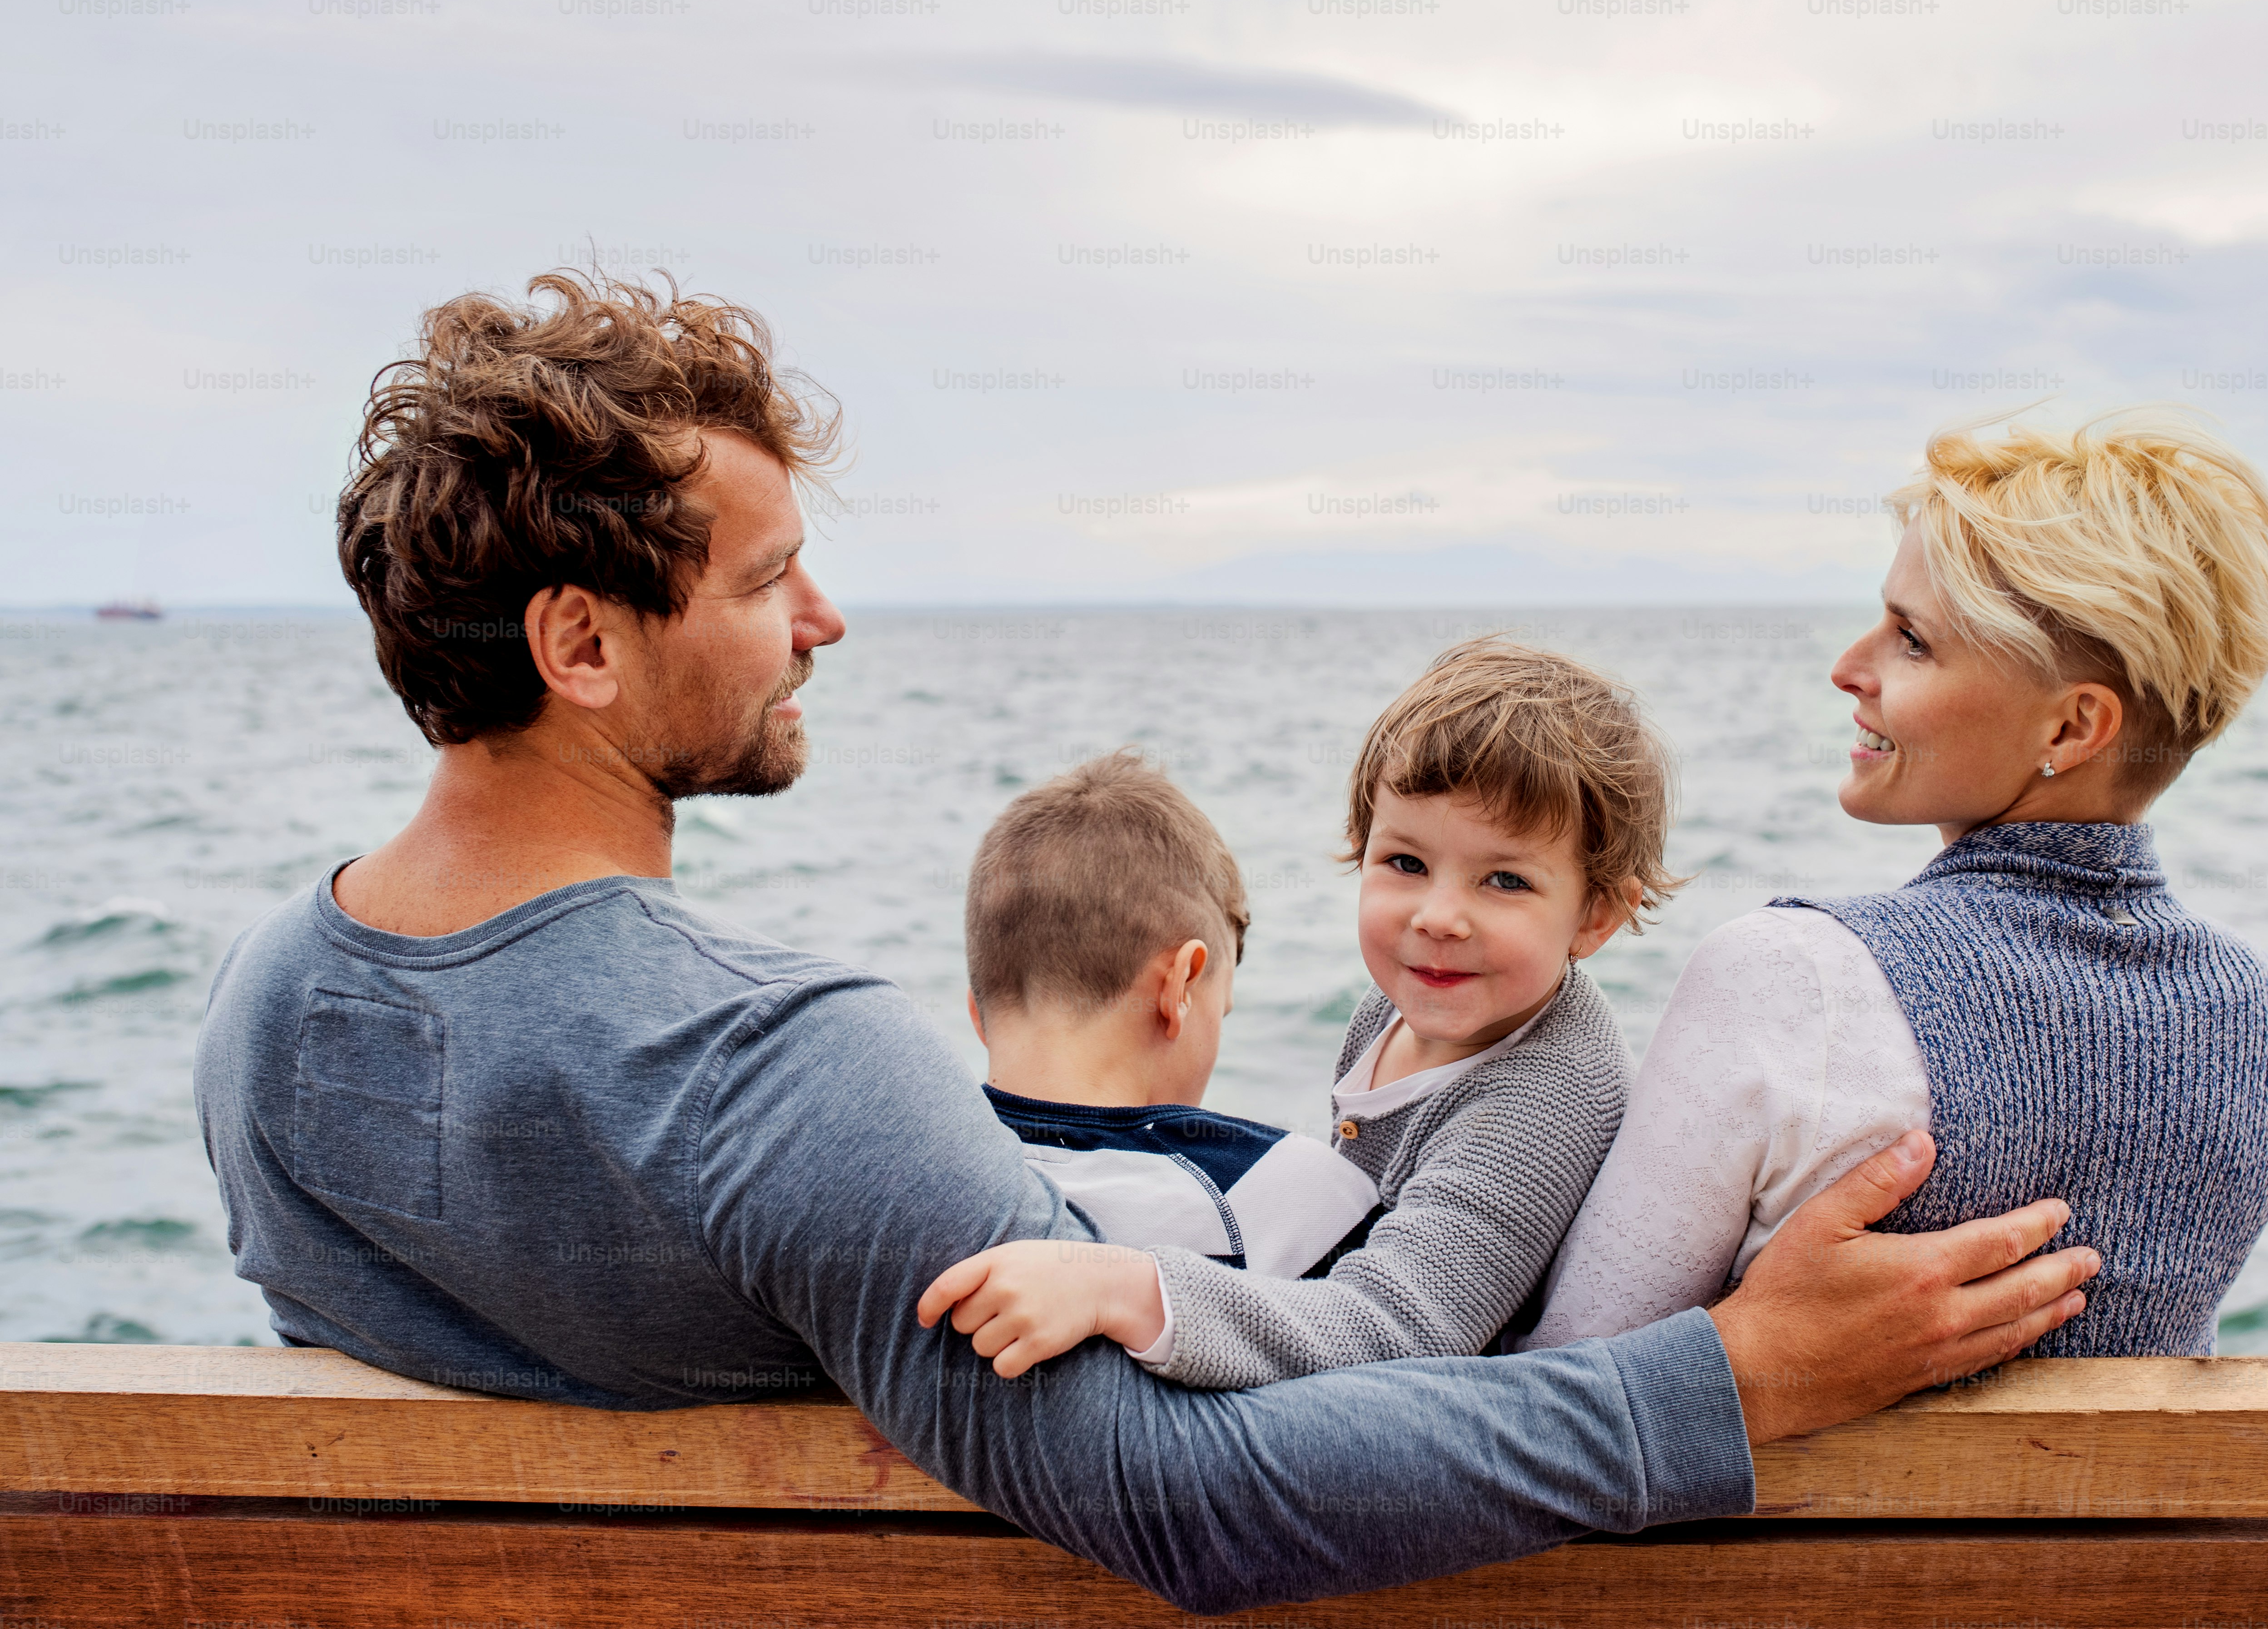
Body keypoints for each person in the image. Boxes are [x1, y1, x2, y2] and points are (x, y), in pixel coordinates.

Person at [191, 272, 2099, 1615]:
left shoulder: (261, 1006)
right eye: (769, 579)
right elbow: (1199, 1508)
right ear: (581, 645)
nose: (826, 619)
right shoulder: (771, 1072)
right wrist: (1736, 1379)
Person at [1531, 409, 2268, 1358]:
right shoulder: (2252, 1016)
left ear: (2069, 729)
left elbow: (1567, 1385)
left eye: (1912, 641)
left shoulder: (1788, 976)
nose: (1846, 668)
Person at [923, 640, 1659, 1385]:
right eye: (1405, 862)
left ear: (1597, 913)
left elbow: (1399, 1326)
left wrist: (1125, 1288)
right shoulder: (1397, 1004)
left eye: (1504, 879)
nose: (1439, 915)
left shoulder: (1548, 1098)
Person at [965, 751, 1380, 1281]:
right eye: (1221, 1011)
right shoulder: (1290, 1197)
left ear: (977, 1013)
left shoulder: (911, 1180)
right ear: (1179, 986)